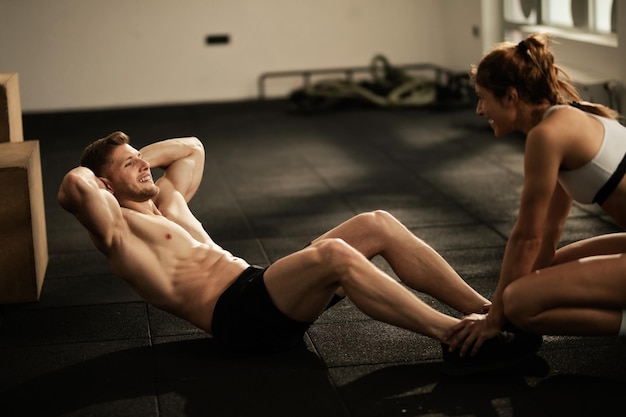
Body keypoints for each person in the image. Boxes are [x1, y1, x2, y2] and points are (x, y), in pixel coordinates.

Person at [58, 131, 534, 370]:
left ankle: (488, 311)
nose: (145, 165)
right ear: (104, 184)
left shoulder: (168, 201)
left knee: (376, 224)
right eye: (130, 164)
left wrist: (133, 157)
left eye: (142, 159)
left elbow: (193, 149)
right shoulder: (117, 230)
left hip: (259, 287)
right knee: (336, 257)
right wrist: (105, 175)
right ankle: (457, 337)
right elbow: (72, 186)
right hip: (238, 318)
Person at [445, 32, 626, 358]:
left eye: (483, 98)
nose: (478, 110)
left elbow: (526, 237)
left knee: (519, 304)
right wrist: (522, 286)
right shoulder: (568, 117)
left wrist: (495, 318)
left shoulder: (547, 135)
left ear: (511, 97)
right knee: (528, 282)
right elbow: (548, 233)